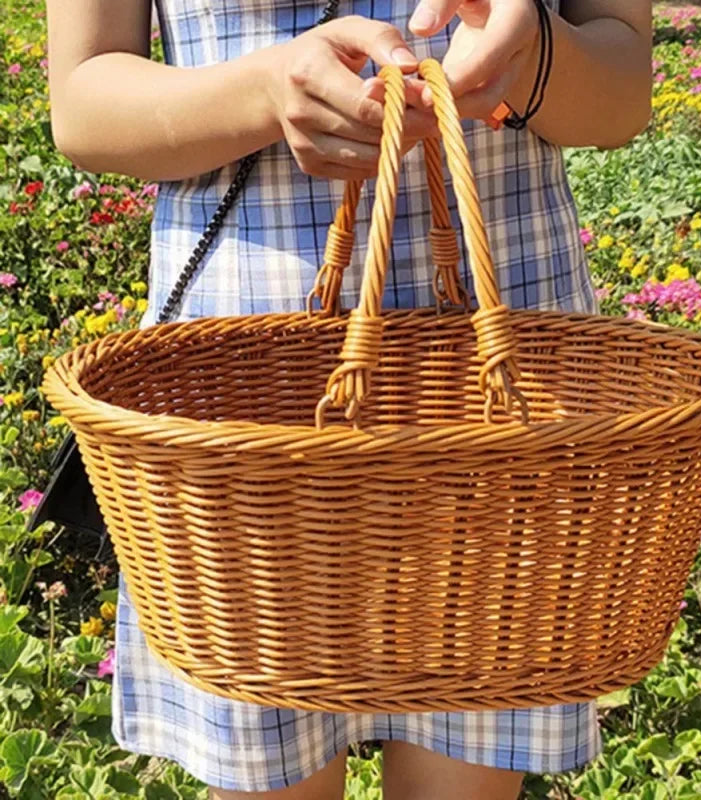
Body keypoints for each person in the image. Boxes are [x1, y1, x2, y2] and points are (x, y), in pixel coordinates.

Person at [45, 0, 652, 798]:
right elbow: (83, 101)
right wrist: (264, 91)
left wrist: (532, 54)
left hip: (501, 375)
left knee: (469, 764)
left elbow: (623, 83)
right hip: (247, 386)